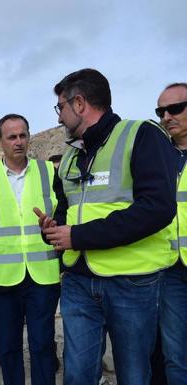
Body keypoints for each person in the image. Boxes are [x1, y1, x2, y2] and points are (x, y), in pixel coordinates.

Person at [36, 68, 176, 385]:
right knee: (78, 375)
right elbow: (66, 209)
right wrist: (53, 228)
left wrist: (79, 235)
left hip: (132, 283)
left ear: (80, 103)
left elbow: (157, 208)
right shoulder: (70, 157)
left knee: (134, 375)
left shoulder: (142, 135)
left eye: (61, 107)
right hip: (77, 282)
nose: (59, 118)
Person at [0, 114, 61, 385]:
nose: (19, 142)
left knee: (42, 344)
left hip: (43, 275)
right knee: (8, 347)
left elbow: (63, 216)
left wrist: (54, 226)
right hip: (2, 278)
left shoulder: (47, 172)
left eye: (23, 135)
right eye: (12, 137)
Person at [156, 82, 187, 384]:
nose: (166, 116)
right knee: (176, 355)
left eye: (175, 108)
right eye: (161, 111)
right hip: (170, 270)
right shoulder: (157, 157)